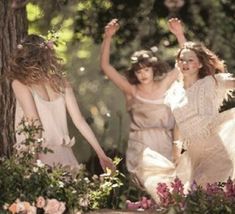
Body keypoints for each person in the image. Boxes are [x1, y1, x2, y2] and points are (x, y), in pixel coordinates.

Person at [100, 19, 183, 200]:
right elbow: (106, 68)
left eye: (146, 70)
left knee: (167, 188)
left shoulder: (164, 85)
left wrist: (179, 34)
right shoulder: (132, 90)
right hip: (141, 143)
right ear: (134, 74)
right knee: (144, 189)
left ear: (154, 69)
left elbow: (183, 64)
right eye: (138, 71)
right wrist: (107, 37)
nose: (143, 74)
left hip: (164, 141)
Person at [8, 34, 115, 172]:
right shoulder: (62, 82)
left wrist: (32, 163)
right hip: (64, 157)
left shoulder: (20, 83)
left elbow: (35, 123)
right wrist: (101, 154)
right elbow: (79, 121)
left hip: (38, 154)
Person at [168, 18, 235, 187]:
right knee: (193, 202)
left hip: (215, 153)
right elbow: (178, 124)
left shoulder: (210, 83)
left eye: (190, 61)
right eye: (182, 60)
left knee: (204, 199)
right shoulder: (176, 92)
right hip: (193, 156)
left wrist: (180, 34)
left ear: (199, 64)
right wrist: (176, 153)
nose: (185, 63)